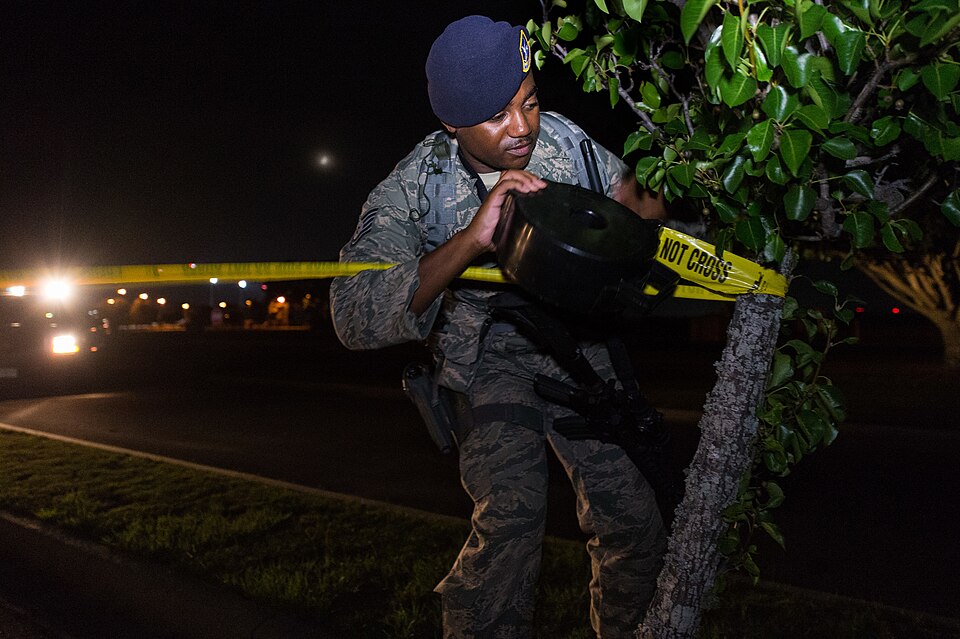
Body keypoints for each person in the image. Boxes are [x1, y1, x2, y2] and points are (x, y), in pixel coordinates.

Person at [330, 15, 666, 639]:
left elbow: (637, 207)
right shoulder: (413, 189)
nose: (522, 128)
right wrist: (469, 241)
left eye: (530, 102)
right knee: (512, 522)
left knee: (635, 524)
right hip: (483, 362)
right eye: (496, 116)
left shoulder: (565, 142)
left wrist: (677, 182)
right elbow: (353, 316)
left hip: (574, 355)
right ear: (451, 125)